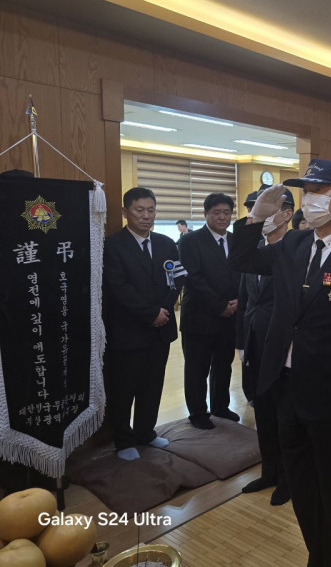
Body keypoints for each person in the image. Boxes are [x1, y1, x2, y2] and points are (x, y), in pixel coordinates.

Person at [228, 159, 331, 567]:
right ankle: (319, 557)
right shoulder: (294, 245)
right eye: (306, 192)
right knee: (301, 486)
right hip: (286, 388)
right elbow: (242, 260)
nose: (310, 200)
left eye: (319, 191)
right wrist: (255, 217)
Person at [104, 187, 184, 460]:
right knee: (124, 388)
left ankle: (146, 432)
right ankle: (123, 440)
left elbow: (177, 278)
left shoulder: (166, 243)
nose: (146, 216)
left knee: (153, 385)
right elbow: (118, 287)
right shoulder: (113, 246)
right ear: (125, 212)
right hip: (129, 331)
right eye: (140, 210)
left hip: (161, 329)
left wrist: (164, 309)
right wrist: (150, 313)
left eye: (151, 210)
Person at [235, 188, 294, 504]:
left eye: (267, 212)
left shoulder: (296, 250)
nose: (259, 218)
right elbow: (246, 300)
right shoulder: (255, 251)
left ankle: (287, 479)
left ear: (286, 214)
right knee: (263, 413)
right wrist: (241, 341)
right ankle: (269, 471)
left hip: (282, 347)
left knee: (284, 417)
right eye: (255, 211)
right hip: (255, 342)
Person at [179, 192, 241, 429]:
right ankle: (197, 413)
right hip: (200, 317)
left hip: (230, 316)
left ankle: (220, 406)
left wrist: (237, 302)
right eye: (216, 212)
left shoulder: (235, 240)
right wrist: (220, 306)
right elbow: (192, 279)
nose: (222, 217)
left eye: (227, 212)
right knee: (197, 368)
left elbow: (242, 273)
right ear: (205, 214)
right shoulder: (190, 241)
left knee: (223, 365)